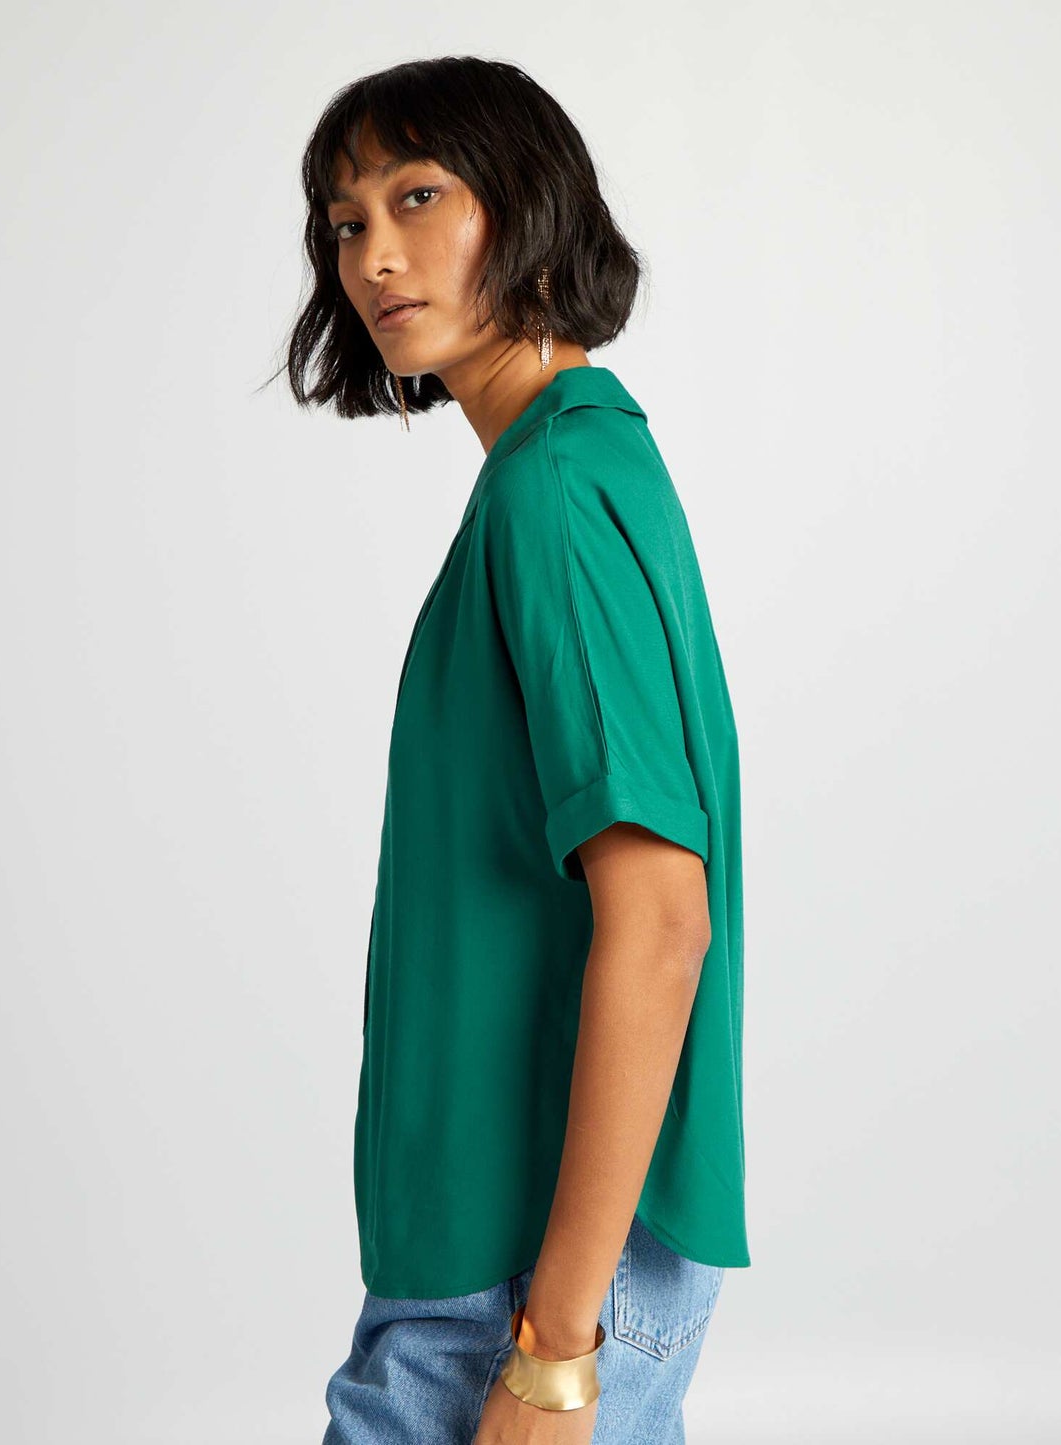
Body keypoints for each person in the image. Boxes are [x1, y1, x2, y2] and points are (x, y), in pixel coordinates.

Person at [279, 56, 749, 1445]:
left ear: (529, 207)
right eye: (346, 221)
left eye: (418, 196)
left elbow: (661, 918)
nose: (374, 254)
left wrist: (553, 1348)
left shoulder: (552, 490)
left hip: (521, 1280)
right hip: (517, 1260)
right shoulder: (571, 467)